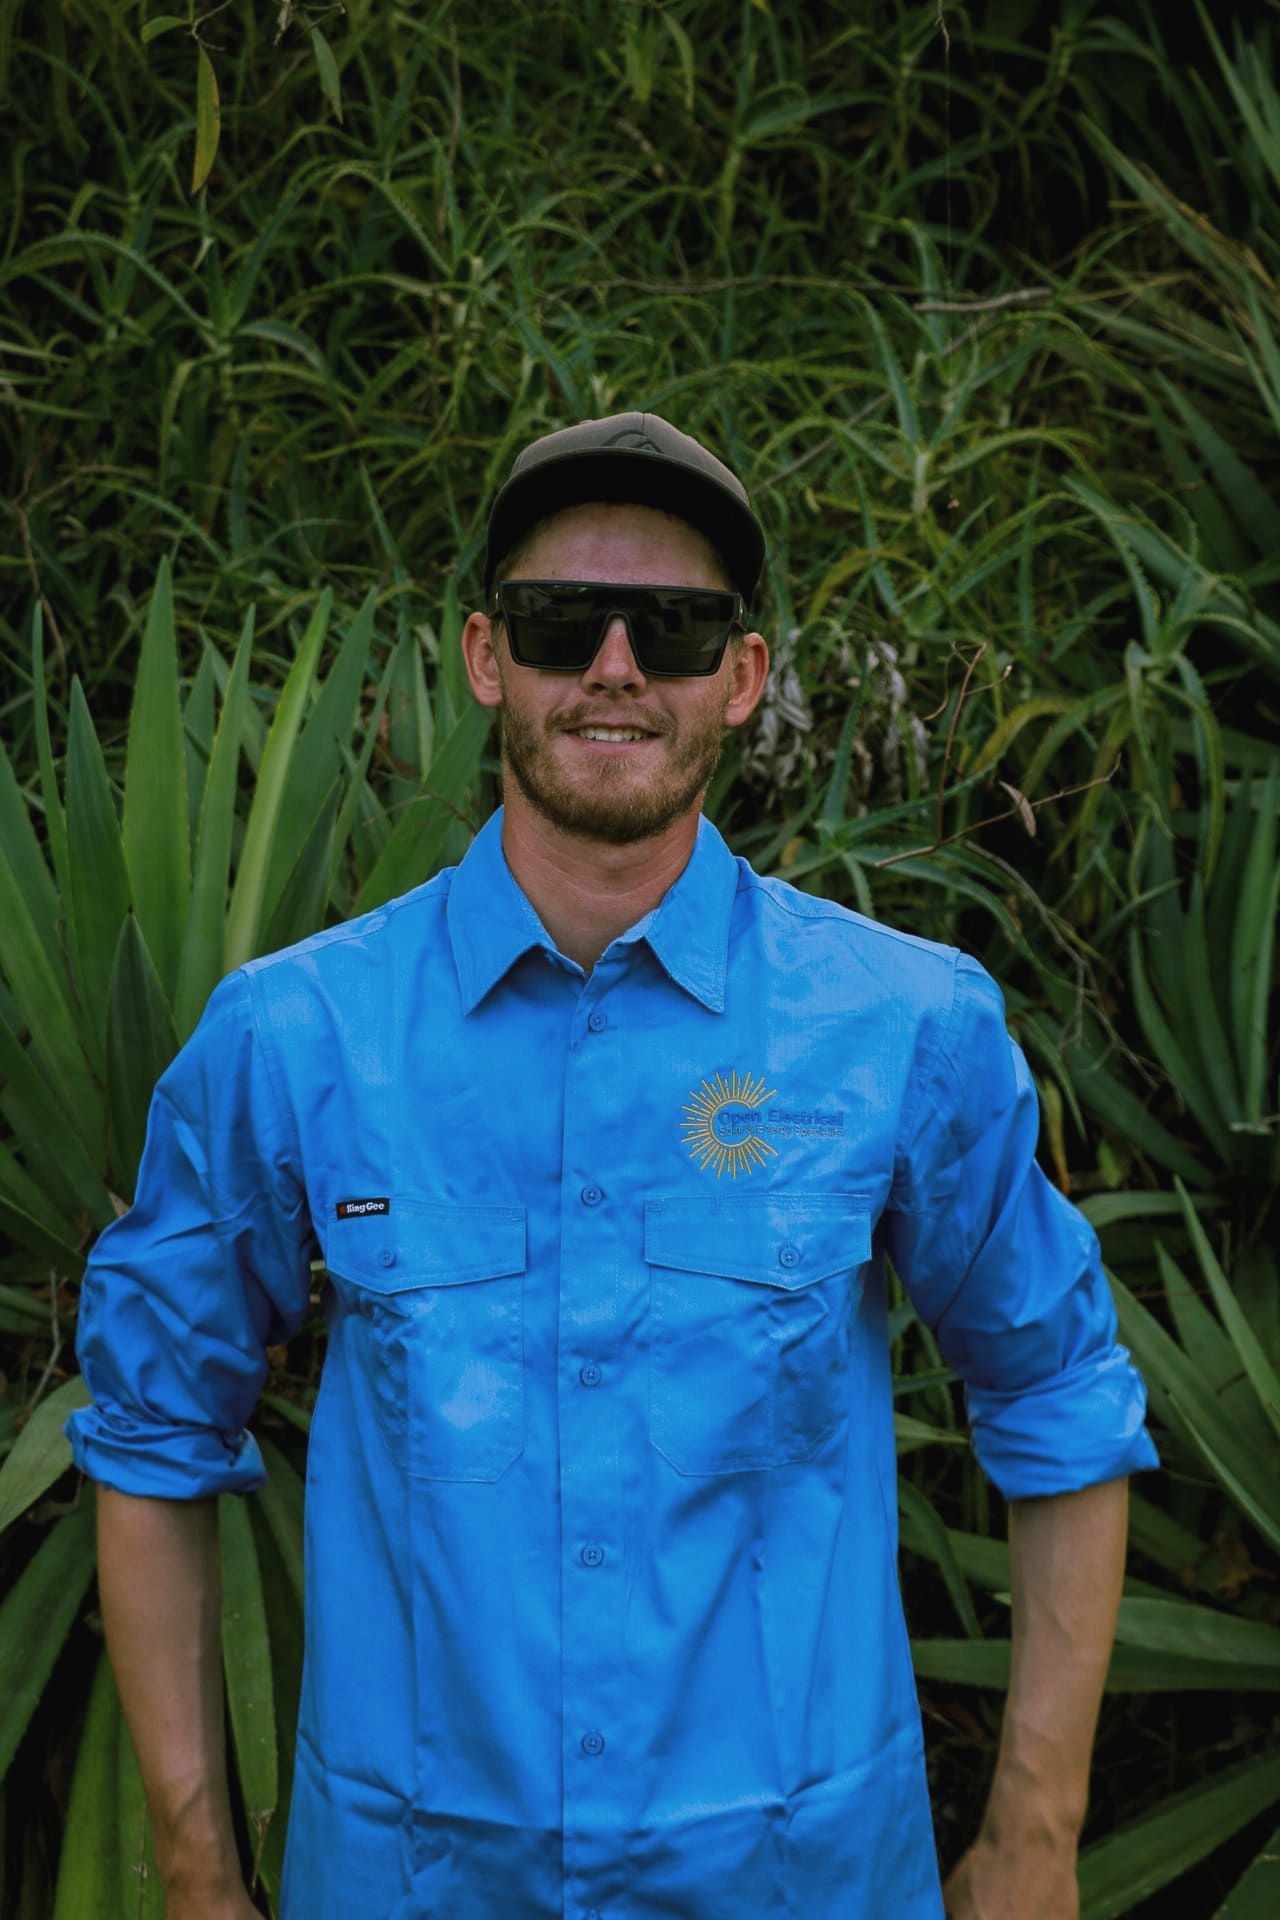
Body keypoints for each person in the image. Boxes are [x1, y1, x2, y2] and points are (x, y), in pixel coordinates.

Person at [68, 411, 1158, 1920]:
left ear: (744, 677)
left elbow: (1058, 1392)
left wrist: (1036, 1833)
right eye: (562, 619)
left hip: (797, 1884)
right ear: (485, 656)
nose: (617, 665)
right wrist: (195, 1872)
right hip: (411, 1885)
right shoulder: (300, 1036)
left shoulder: (903, 1026)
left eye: (677, 627)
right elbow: (153, 1424)